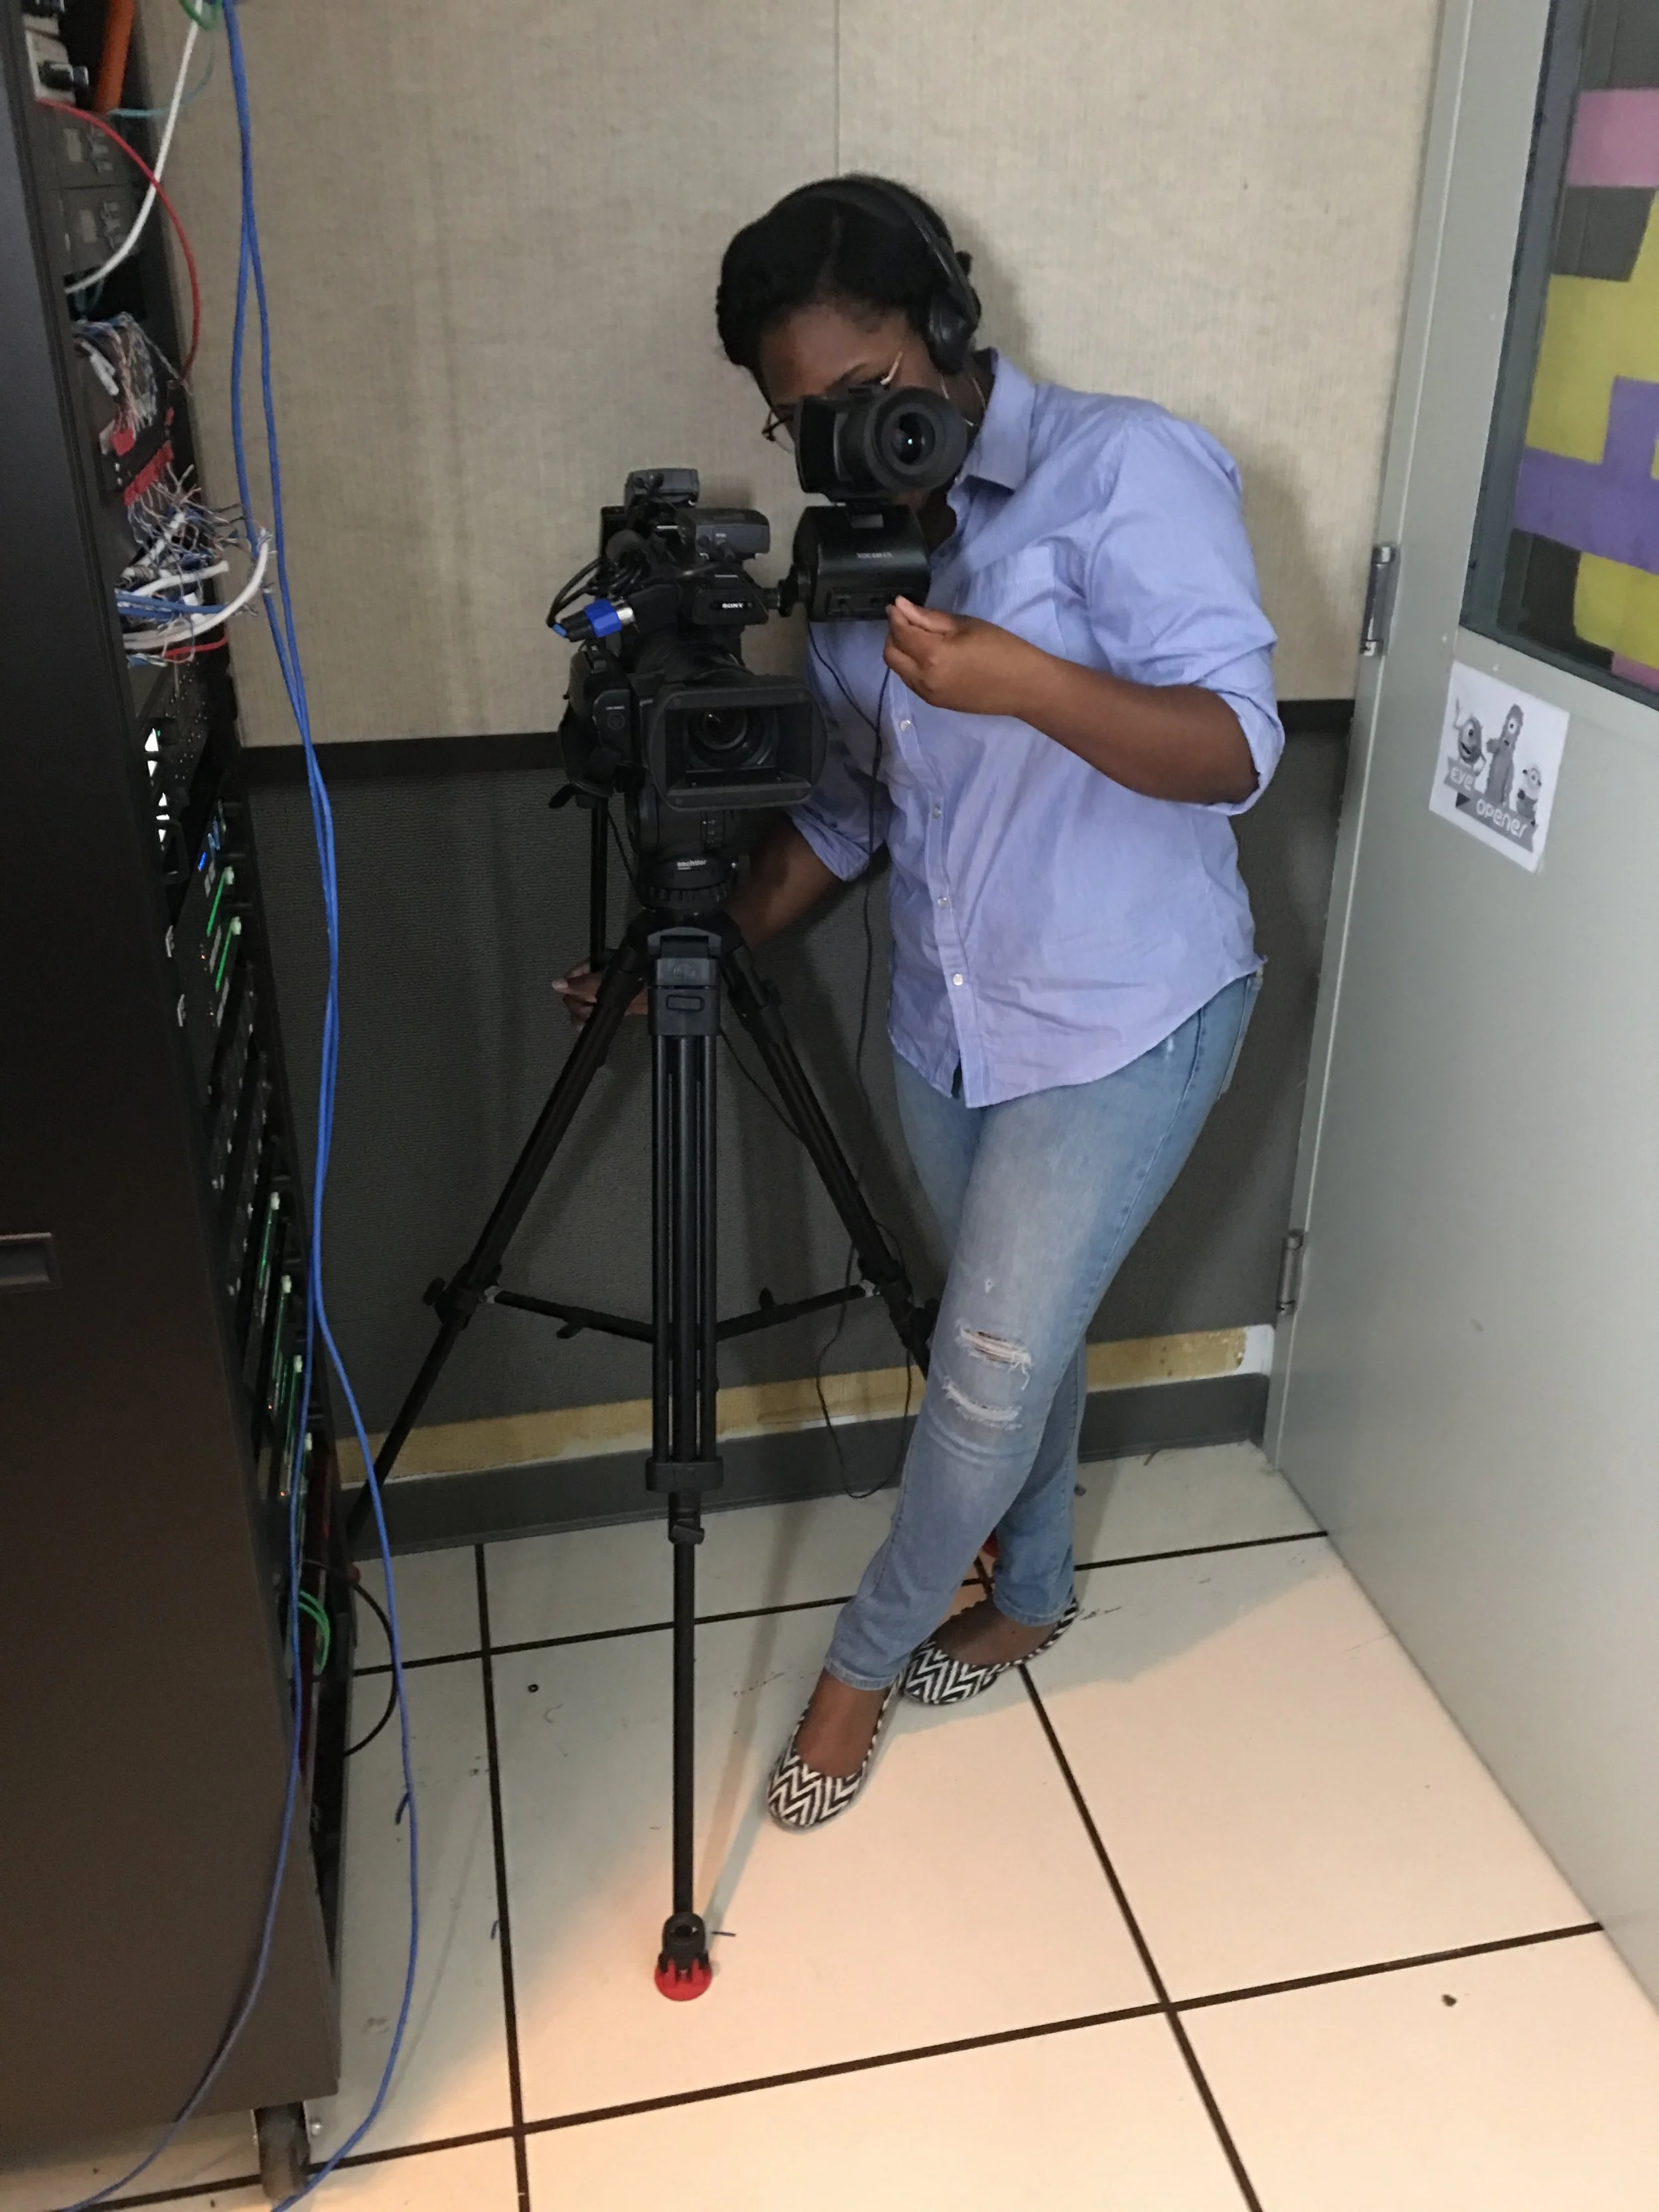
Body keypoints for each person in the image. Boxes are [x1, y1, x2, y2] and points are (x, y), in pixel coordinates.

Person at [561, 175, 1281, 1832]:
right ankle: (1028, 1589)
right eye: (797, 418)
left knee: (978, 1366)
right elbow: (853, 814)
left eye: (866, 393)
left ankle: (855, 1669)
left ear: (945, 335)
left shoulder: (1124, 468)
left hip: (1124, 1013)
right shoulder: (849, 552)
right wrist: (708, 946)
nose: (837, 440)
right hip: (950, 1024)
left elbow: (1237, 752)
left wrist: (1015, 672)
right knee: (1013, 1337)